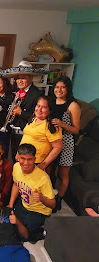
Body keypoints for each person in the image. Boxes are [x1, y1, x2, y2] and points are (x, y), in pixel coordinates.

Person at [0, 61, 46, 161]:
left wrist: (21, 112)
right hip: (14, 132)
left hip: (27, 134)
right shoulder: (16, 92)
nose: (20, 81)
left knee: (24, 161)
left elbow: (39, 117)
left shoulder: (37, 94)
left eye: (23, 78)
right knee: (14, 159)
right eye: (18, 78)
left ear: (31, 78)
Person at [8, 144, 55, 243]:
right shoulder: (16, 167)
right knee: (8, 226)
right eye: (23, 158)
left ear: (34, 159)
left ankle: (41, 231)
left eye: (29, 159)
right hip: (24, 204)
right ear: (17, 157)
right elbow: (16, 184)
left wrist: (41, 198)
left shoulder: (43, 178)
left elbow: (52, 204)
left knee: (25, 236)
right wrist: (11, 204)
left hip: (39, 211)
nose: (25, 163)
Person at [51, 76, 81, 211]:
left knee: (63, 175)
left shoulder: (73, 105)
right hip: (51, 141)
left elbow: (76, 129)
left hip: (66, 143)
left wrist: (62, 124)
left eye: (62, 87)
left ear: (68, 89)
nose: (59, 90)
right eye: (57, 87)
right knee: (50, 171)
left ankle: (59, 200)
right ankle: (49, 196)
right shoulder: (52, 101)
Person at [20, 96, 63, 171]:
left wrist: (44, 164)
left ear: (50, 110)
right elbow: (26, 136)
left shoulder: (51, 125)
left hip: (37, 162)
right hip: (23, 159)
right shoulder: (33, 119)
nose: (39, 109)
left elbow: (58, 147)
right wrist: (19, 154)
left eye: (44, 107)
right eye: (38, 106)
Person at [0, 76, 14, 157]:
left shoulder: (11, 96)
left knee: (4, 147)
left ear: (4, 84)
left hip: (6, 125)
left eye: (0, 83)